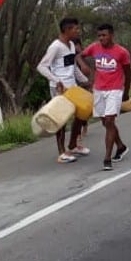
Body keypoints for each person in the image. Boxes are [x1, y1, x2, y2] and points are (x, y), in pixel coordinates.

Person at [36, 17, 92, 163]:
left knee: (82, 114)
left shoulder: (72, 45)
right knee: (61, 119)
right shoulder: (55, 46)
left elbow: (72, 67)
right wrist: (56, 80)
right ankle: (62, 153)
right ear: (67, 30)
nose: (77, 31)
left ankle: (73, 145)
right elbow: (41, 66)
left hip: (72, 87)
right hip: (59, 89)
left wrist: (85, 81)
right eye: (75, 29)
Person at [81, 24, 131, 171]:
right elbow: (80, 55)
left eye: (104, 35)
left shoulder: (121, 52)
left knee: (110, 120)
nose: (102, 38)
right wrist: (83, 66)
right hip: (99, 90)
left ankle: (107, 158)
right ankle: (121, 146)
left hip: (114, 90)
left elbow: (128, 73)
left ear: (111, 35)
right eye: (99, 36)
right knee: (105, 122)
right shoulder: (94, 48)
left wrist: (126, 91)